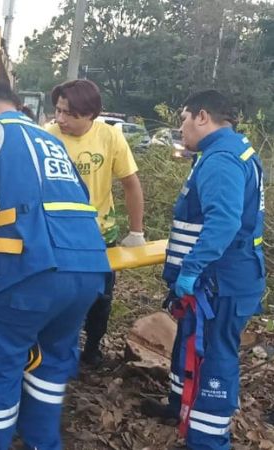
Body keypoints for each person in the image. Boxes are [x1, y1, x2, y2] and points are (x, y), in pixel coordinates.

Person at [0, 79, 110, 450]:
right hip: (87, 270)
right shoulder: (51, 140)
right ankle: (42, 443)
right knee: (49, 368)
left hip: (26, 272)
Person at [142, 90, 265, 450]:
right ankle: (180, 406)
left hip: (219, 281)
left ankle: (208, 440)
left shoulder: (221, 159)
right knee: (189, 342)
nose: (180, 126)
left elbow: (223, 222)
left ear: (202, 117)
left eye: (183, 117)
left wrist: (191, 269)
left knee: (214, 355)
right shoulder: (227, 150)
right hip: (220, 278)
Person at [47, 79, 146, 365]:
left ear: (90, 114)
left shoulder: (110, 137)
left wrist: (136, 231)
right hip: (60, 233)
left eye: (69, 113)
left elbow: (130, 183)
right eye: (58, 111)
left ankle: (92, 347)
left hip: (99, 232)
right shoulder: (48, 136)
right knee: (60, 294)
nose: (60, 119)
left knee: (101, 297)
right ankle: (57, 349)